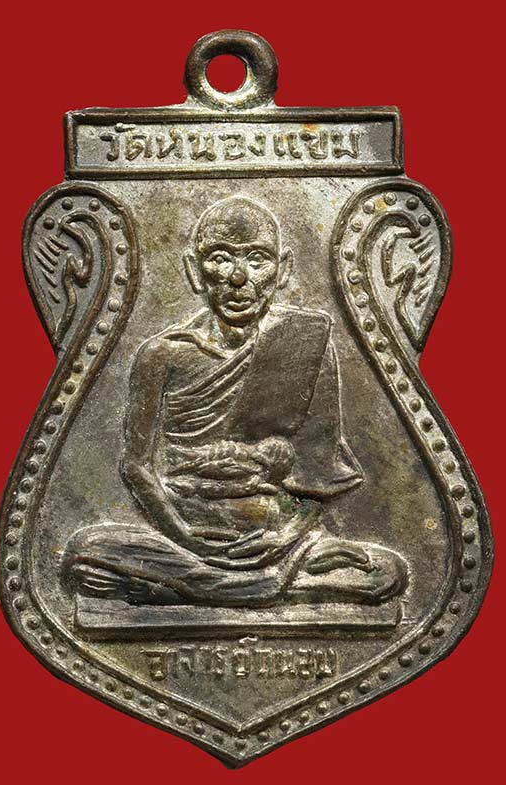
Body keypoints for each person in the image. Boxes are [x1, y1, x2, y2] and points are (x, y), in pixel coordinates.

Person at [63, 197, 407, 607]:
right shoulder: (163, 353)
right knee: (85, 553)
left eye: (257, 259)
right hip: (185, 527)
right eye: (221, 259)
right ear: (195, 271)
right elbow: (136, 466)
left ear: (283, 269)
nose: (239, 278)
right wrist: (185, 536)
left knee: (387, 572)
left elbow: (318, 474)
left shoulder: (303, 341)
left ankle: (190, 590)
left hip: (276, 533)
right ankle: (263, 588)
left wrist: (284, 528)